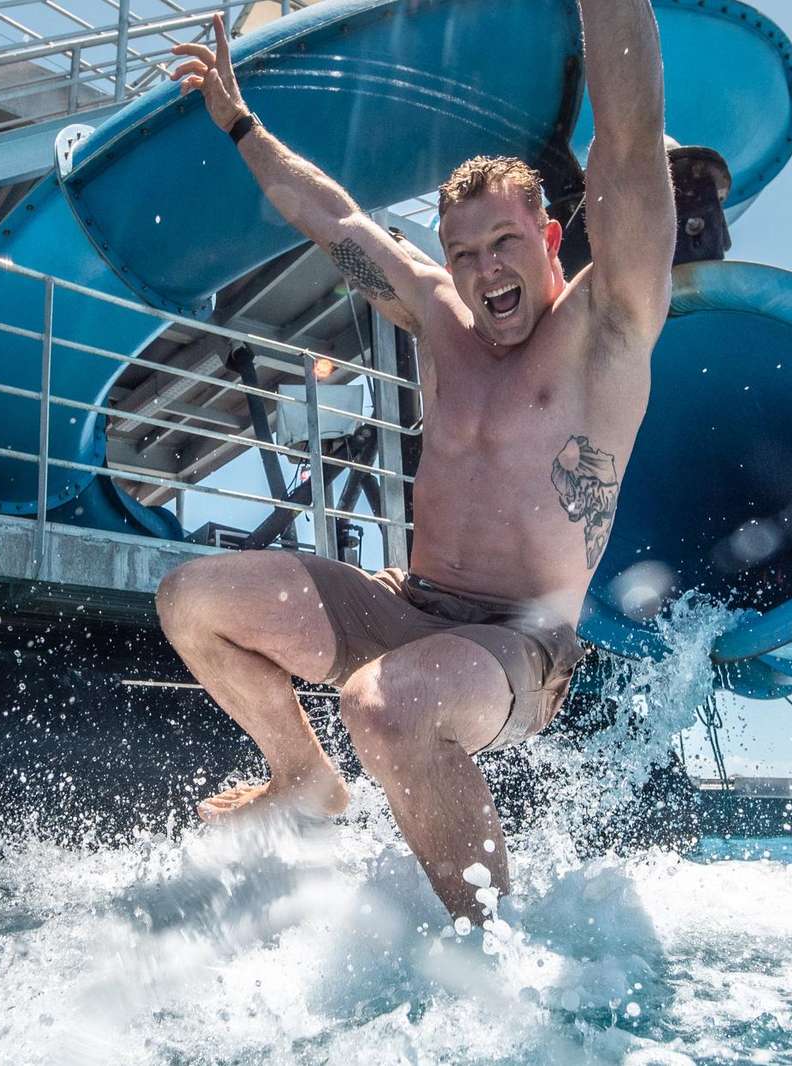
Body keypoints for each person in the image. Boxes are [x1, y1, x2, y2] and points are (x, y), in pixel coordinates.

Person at [157, 0, 673, 922]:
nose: (486, 270)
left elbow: (629, 148)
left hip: (520, 643)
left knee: (384, 708)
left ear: (551, 239)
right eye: (464, 253)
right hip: (406, 601)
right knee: (190, 598)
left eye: (506, 243)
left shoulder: (607, 325)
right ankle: (302, 775)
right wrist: (240, 124)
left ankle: (490, 951)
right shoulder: (439, 318)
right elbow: (332, 217)